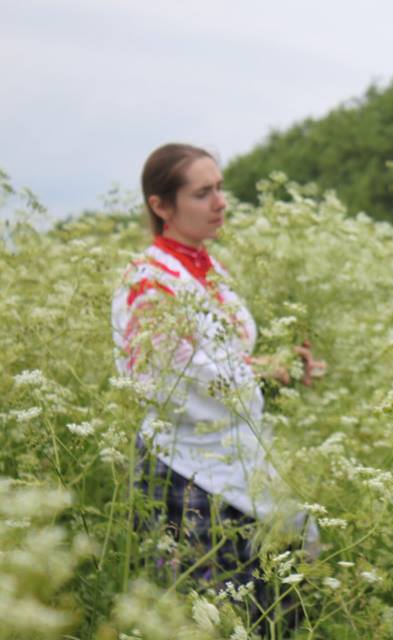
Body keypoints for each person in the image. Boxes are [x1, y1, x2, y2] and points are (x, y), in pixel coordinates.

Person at [111, 143, 324, 597]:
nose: (221, 202)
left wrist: (279, 362)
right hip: (185, 467)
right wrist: (262, 371)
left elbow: (220, 355)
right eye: (203, 192)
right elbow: (171, 382)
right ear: (161, 206)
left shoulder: (208, 269)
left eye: (220, 188)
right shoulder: (148, 281)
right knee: (214, 609)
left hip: (236, 454)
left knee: (272, 602)